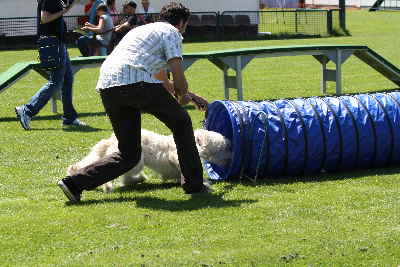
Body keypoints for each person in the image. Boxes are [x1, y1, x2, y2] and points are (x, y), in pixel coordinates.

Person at [57, 2, 211, 203]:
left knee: (128, 154)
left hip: (108, 85)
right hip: (136, 82)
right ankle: (194, 185)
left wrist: (188, 95)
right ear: (182, 22)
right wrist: (182, 97)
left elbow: (162, 79)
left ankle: (74, 183)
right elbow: (178, 75)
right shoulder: (172, 32)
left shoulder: (142, 32)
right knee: (182, 123)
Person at [15, 0, 86, 130]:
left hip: (59, 44)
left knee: (67, 80)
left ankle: (69, 117)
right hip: (54, 45)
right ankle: (27, 110)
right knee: (56, 82)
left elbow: (57, 12)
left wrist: (70, 5)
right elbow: (45, 18)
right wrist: (64, 11)